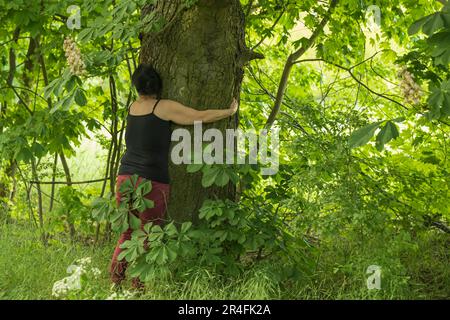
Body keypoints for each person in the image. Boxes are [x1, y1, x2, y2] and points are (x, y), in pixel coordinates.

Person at [110, 64, 238, 287]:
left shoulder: (132, 107)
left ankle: (115, 282)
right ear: (158, 85)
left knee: (127, 232)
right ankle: (138, 287)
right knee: (149, 233)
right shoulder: (163, 107)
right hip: (151, 180)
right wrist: (229, 112)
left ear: (136, 87)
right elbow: (200, 116)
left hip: (124, 177)